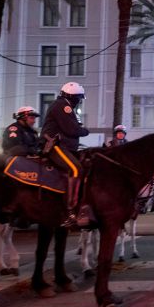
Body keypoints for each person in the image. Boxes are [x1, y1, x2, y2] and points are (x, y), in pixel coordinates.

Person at [41, 82, 92, 228]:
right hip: (54, 146)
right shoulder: (63, 106)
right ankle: (70, 212)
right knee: (76, 169)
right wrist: (85, 131)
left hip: (66, 146)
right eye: (79, 98)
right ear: (74, 97)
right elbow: (72, 130)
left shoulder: (64, 106)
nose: (80, 101)